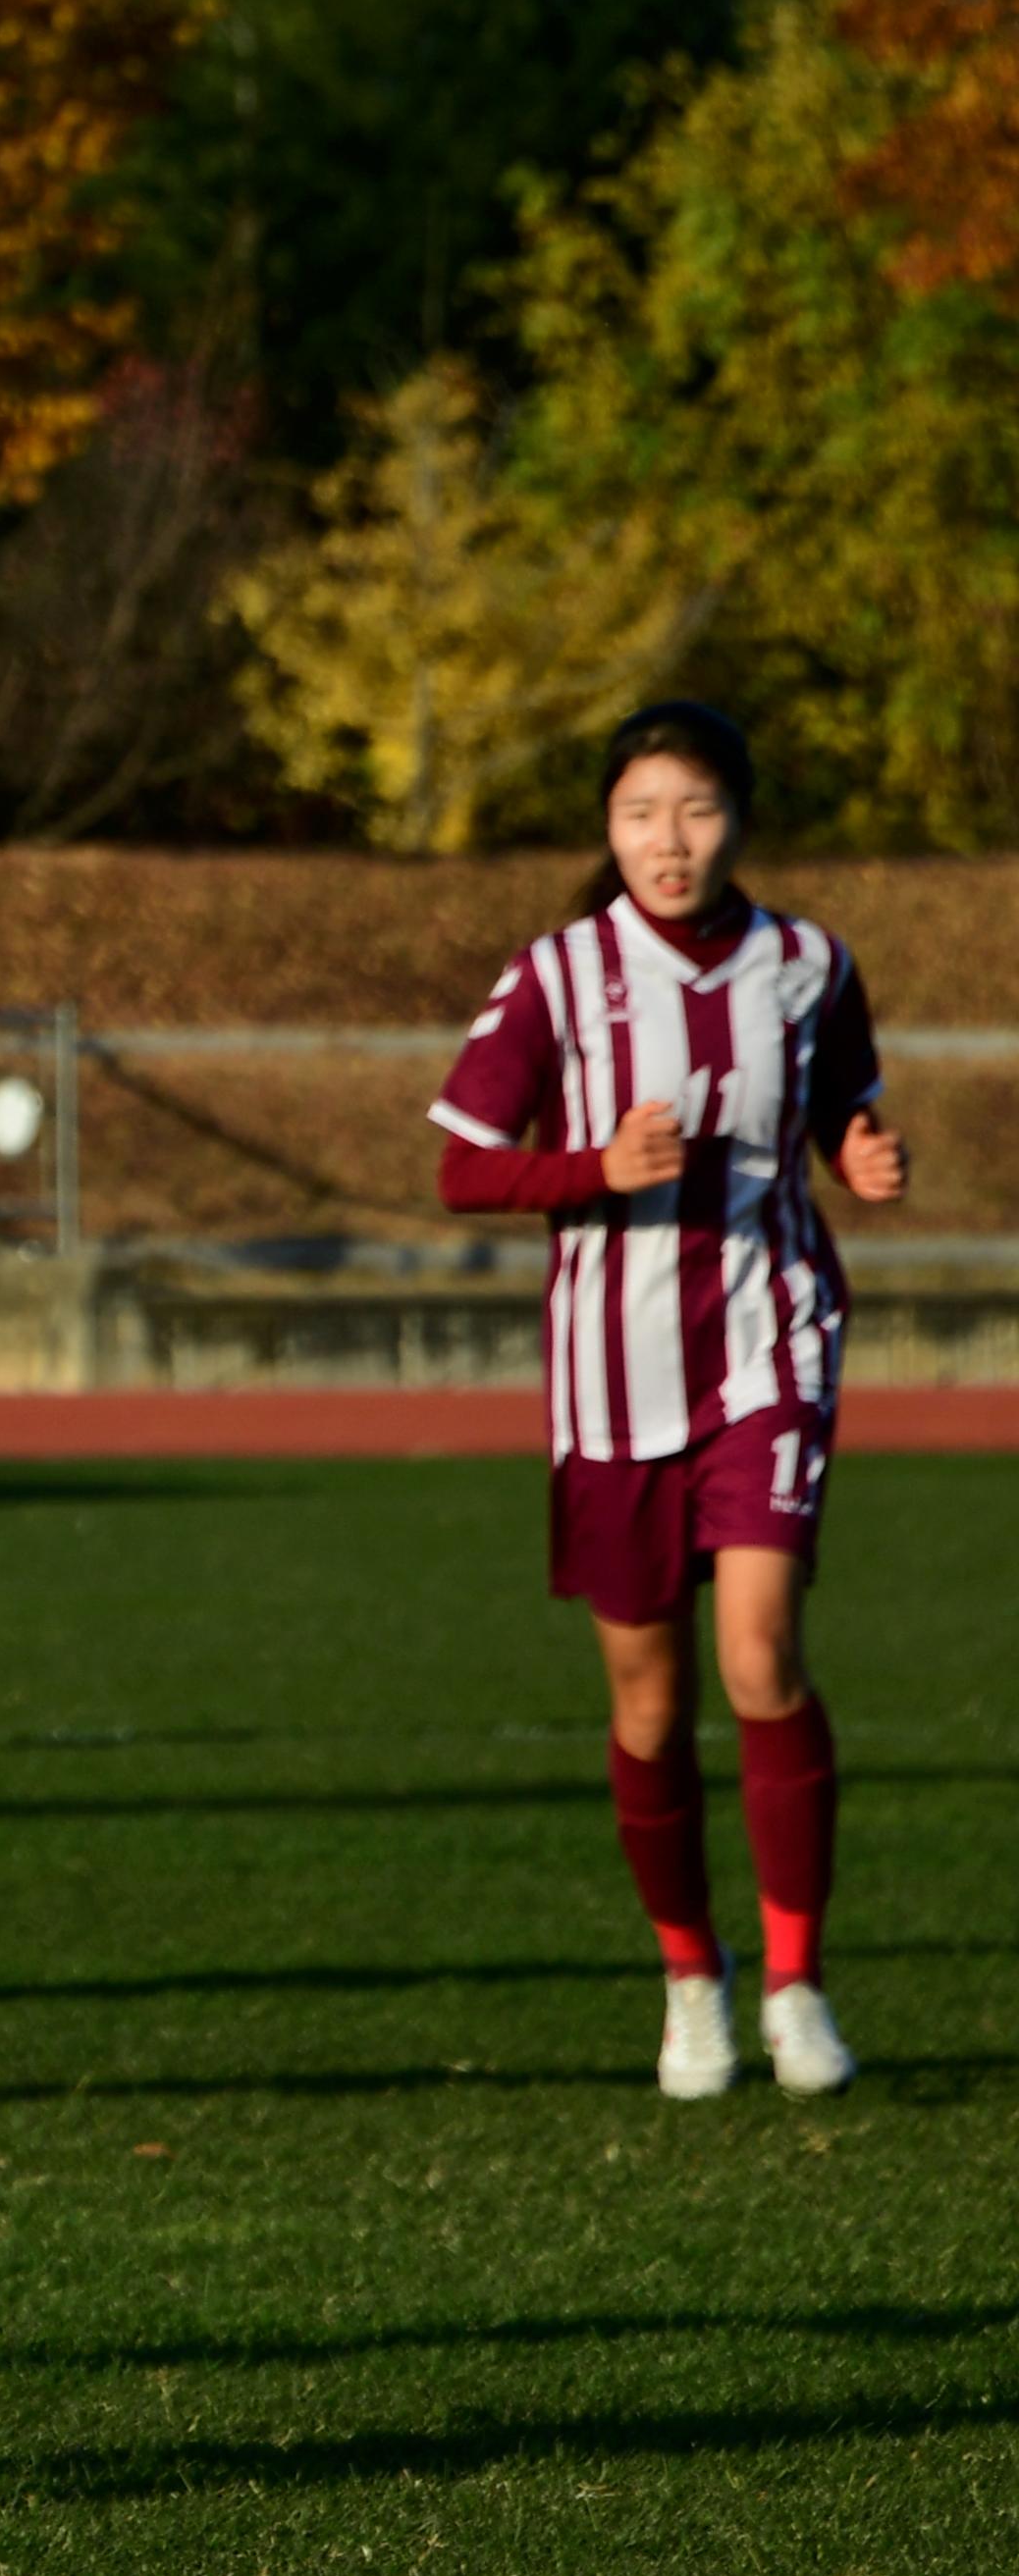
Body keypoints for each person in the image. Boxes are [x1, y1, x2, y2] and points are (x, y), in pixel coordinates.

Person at [428, 700, 904, 2100]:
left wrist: (868, 1159)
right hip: (612, 1374)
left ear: (737, 816)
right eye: (640, 814)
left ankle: (798, 1982)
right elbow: (462, 1164)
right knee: (649, 1701)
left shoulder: (809, 965)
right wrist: (588, 1165)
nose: (668, 840)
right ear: (608, 828)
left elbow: (847, 1117)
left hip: (772, 1341)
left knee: (760, 1654)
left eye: (694, 810)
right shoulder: (562, 975)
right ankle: (690, 1979)